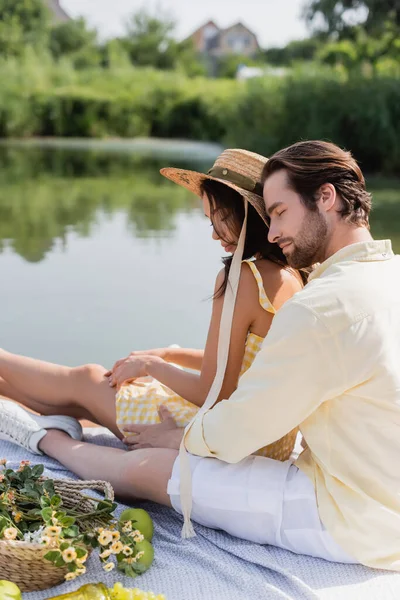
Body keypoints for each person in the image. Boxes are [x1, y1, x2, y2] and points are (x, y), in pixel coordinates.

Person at [1, 140, 399, 571]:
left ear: (325, 197)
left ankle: (45, 438)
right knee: (95, 390)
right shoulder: (382, 278)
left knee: (149, 465)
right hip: (373, 492)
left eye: (280, 212)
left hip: (354, 519)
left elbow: (241, 425)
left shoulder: (321, 307)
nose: (272, 230)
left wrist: (178, 438)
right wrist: (169, 358)